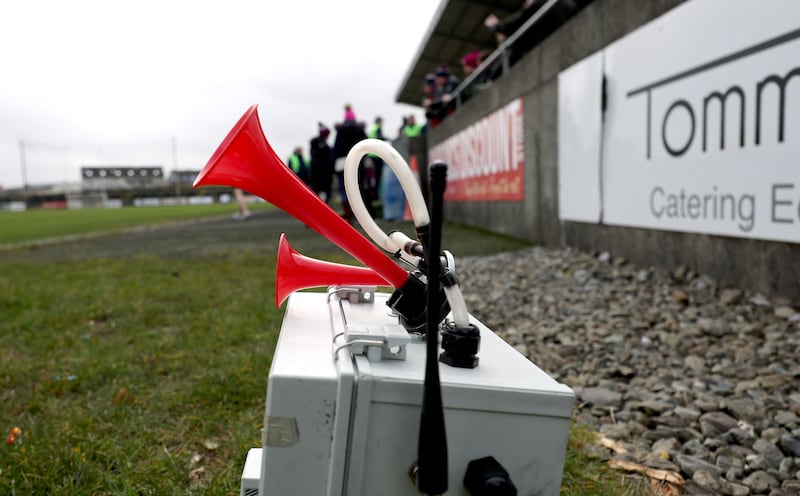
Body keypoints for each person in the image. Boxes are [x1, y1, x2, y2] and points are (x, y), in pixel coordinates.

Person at [484, 0, 579, 69]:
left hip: (544, 56)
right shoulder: (569, 4)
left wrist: (495, 25)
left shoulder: (538, 5)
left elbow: (513, 25)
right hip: (568, 49)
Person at [332, 104, 367, 223]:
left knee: (344, 189)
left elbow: (336, 149)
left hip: (343, 163)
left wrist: (333, 164)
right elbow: (366, 144)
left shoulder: (340, 131)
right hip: (357, 162)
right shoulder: (360, 130)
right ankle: (361, 218)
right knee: (358, 188)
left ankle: (349, 216)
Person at [309, 123, 334, 204]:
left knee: (319, 194)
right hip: (322, 175)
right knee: (323, 194)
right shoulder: (323, 147)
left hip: (318, 175)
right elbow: (326, 162)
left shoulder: (316, 146)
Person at [365, 116, 385, 205]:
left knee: (372, 176)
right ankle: (375, 195)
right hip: (376, 155)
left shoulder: (371, 128)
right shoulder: (378, 128)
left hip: (370, 154)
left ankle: (372, 195)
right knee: (377, 175)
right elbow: (380, 138)